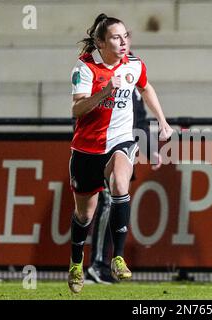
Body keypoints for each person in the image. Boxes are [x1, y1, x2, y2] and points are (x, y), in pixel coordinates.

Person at [68, 13, 173, 293]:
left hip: (121, 140)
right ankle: (76, 263)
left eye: (126, 36)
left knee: (119, 183)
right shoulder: (85, 68)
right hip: (87, 149)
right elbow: (76, 109)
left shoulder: (134, 65)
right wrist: (104, 92)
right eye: (116, 37)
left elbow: (146, 87)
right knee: (84, 215)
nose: (123, 42)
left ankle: (117, 258)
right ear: (101, 42)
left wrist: (162, 121)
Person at [85, 88, 162, 285]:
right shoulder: (101, 73)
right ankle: (98, 265)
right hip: (102, 149)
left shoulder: (133, 79)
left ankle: (105, 264)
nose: (124, 55)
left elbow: (140, 121)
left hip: (124, 153)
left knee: (114, 204)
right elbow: (83, 110)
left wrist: (150, 150)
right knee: (107, 203)